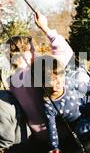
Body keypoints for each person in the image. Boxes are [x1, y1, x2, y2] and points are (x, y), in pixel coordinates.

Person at [6, 12, 74, 142]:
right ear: (26, 54)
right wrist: (45, 27)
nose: (35, 53)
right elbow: (66, 53)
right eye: (32, 50)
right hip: (61, 133)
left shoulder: (11, 81)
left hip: (39, 137)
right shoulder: (35, 72)